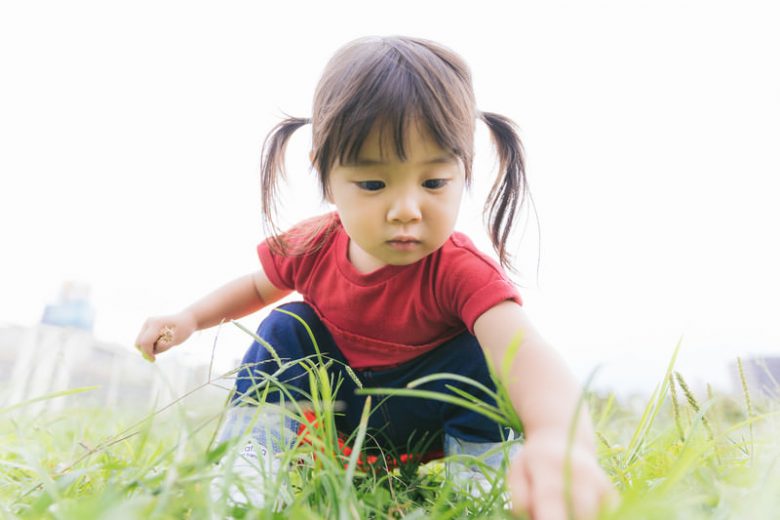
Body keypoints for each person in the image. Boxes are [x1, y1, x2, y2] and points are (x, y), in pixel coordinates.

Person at [135, 36, 615, 519]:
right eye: (372, 184)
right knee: (286, 324)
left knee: (481, 351)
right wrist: (190, 318)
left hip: (427, 412)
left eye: (433, 182)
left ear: (463, 172)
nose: (405, 210)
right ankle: (253, 463)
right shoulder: (313, 245)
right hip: (341, 410)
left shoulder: (459, 270)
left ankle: (482, 474)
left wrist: (559, 438)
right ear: (324, 173)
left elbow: (524, 353)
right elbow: (257, 287)